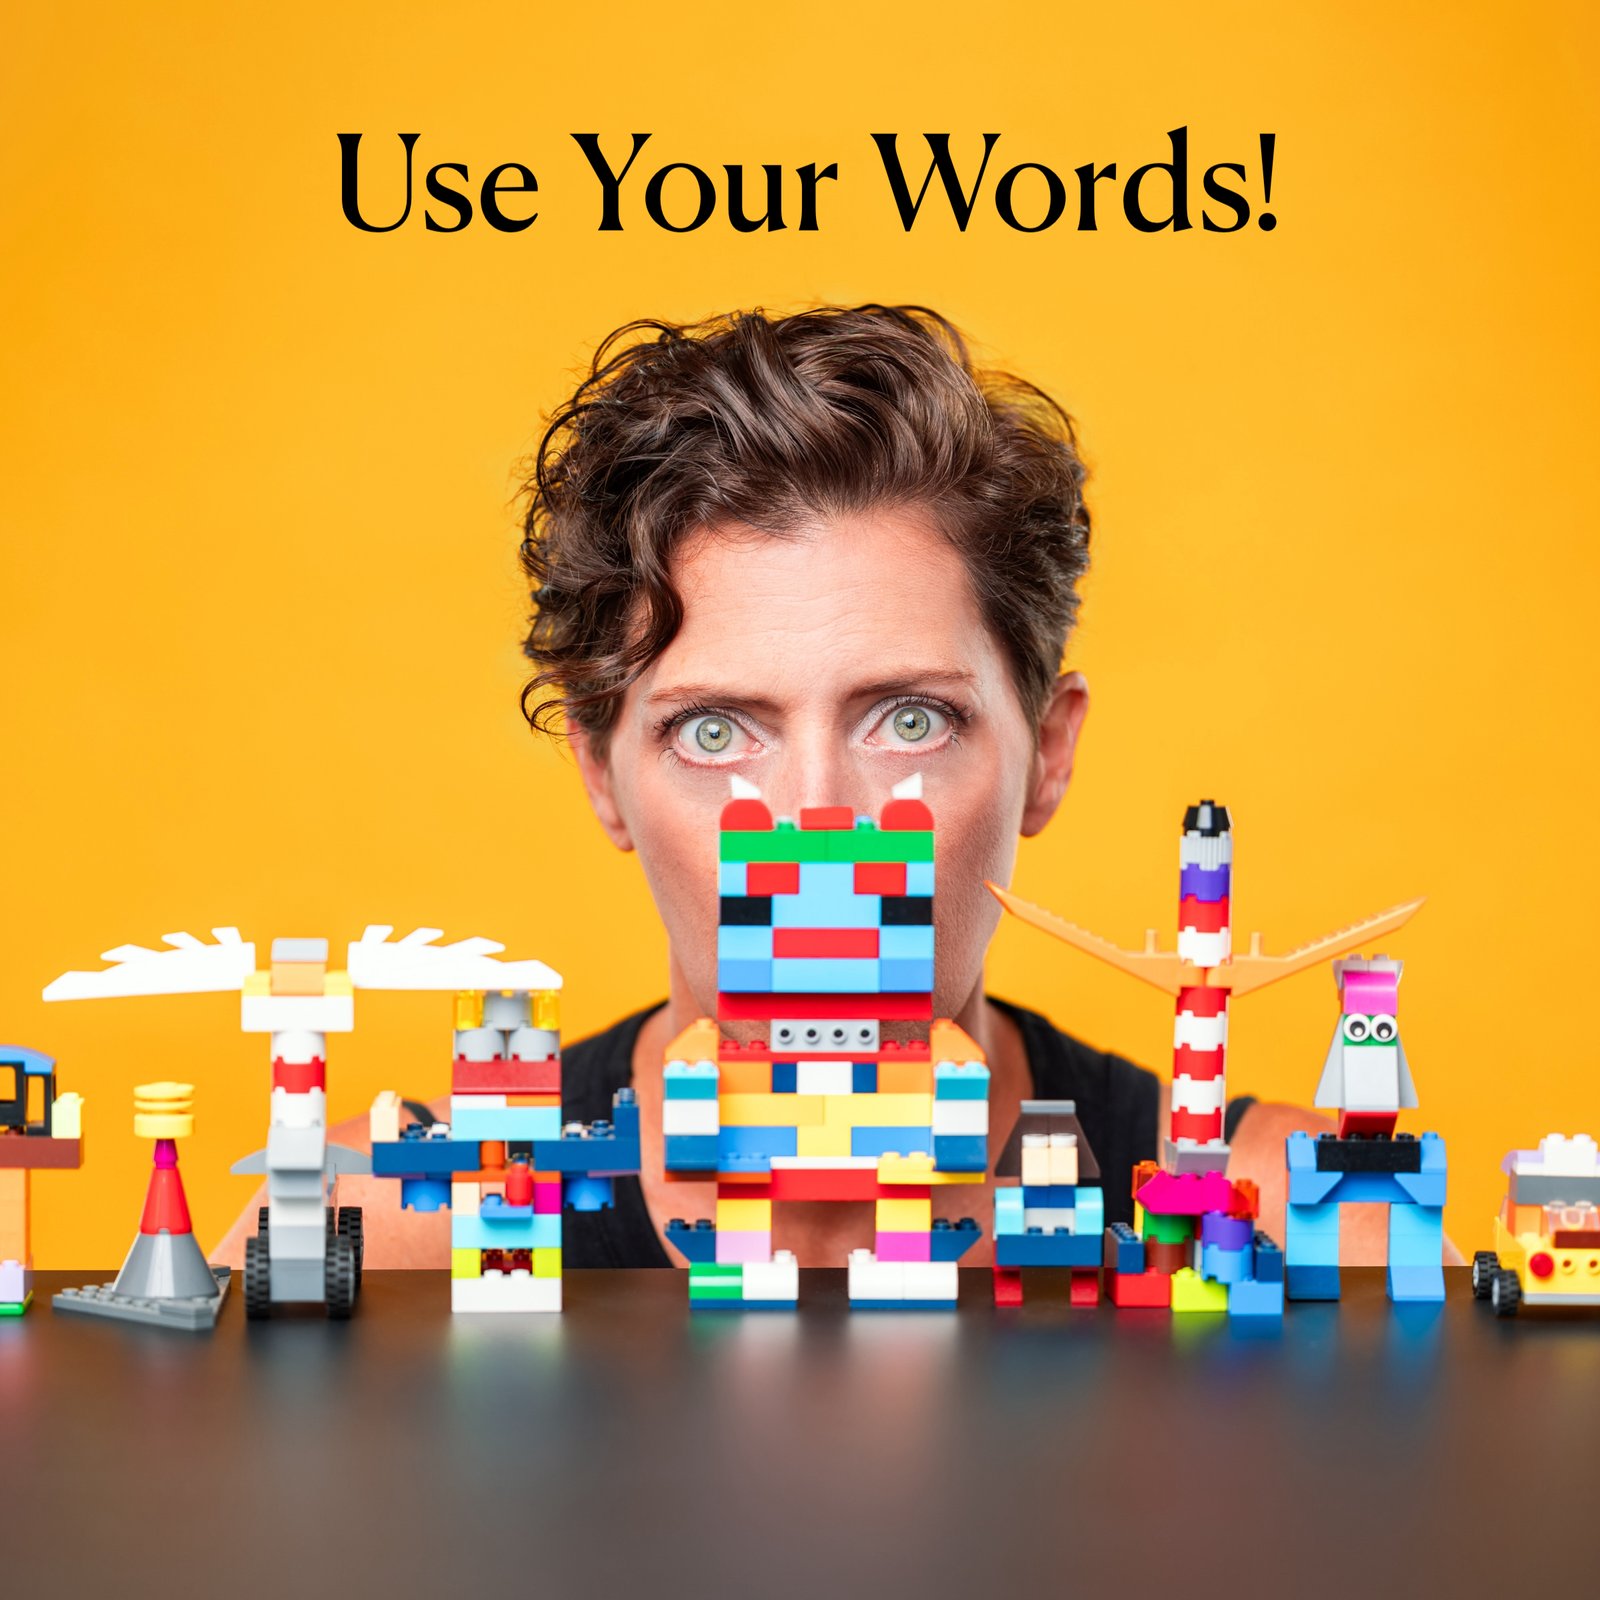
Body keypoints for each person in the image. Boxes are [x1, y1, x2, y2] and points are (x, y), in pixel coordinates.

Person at [213, 303, 1430, 1271]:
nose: (818, 822)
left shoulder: (1319, 1225)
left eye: (911, 719)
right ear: (602, 773)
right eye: (712, 733)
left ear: (1045, 756)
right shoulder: (386, 1230)